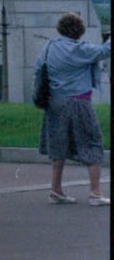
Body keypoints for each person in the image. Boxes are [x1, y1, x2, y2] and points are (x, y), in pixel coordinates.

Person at [36, 12, 111, 205]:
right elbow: (105, 51)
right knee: (92, 143)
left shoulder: (48, 47)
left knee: (58, 146)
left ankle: (56, 190)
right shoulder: (81, 49)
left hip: (54, 102)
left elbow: (38, 70)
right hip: (79, 101)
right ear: (79, 31)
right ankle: (95, 193)